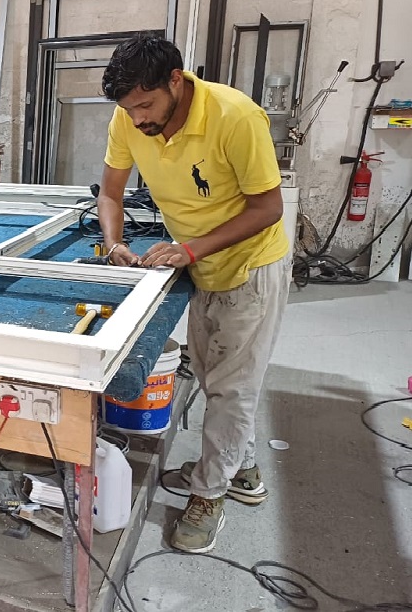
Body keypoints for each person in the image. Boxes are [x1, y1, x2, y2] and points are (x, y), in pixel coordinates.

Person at [97, 35, 290, 554]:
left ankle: (210, 495)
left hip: (250, 265)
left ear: (175, 81)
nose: (137, 118)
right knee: (210, 374)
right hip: (199, 262)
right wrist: (114, 244)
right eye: (129, 109)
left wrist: (190, 249)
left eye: (145, 105)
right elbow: (111, 192)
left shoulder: (235, 117)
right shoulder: (129, 118)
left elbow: (268, 208)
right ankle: (239, 469)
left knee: (232, 388)